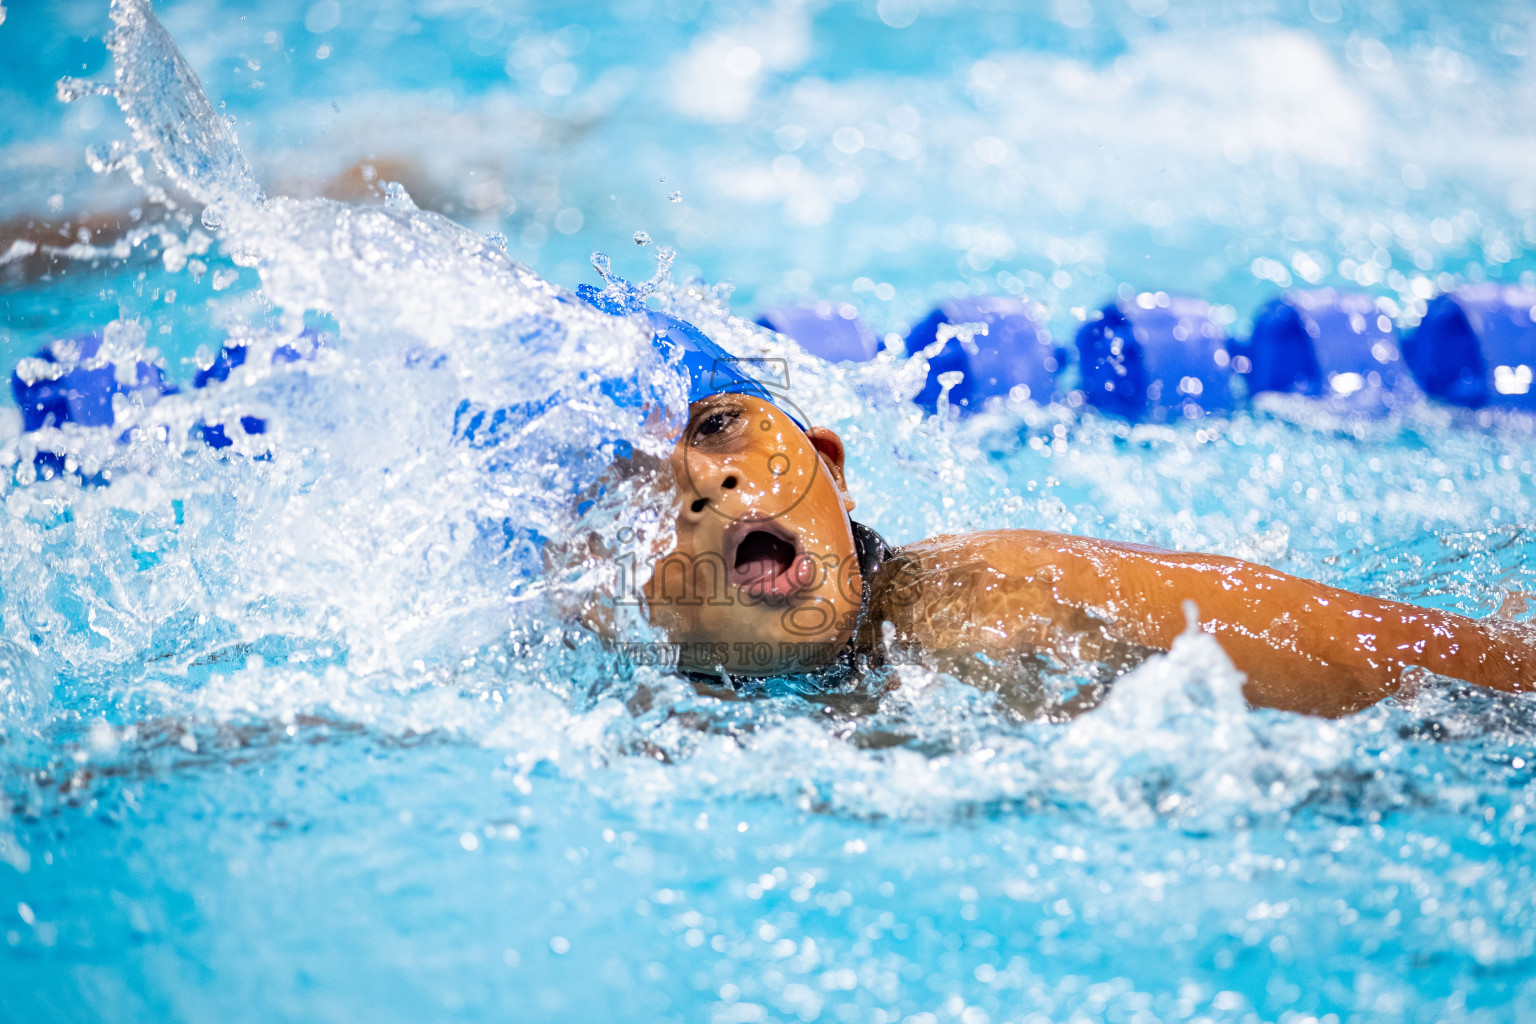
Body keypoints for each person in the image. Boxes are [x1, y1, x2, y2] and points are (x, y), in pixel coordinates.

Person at [617, 301, 1536, 719]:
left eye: (721, 423)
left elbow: (1453, 672)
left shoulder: (994, 603)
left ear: (831, 465)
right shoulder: (664, 717)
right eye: (639, 489)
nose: (703, 482)